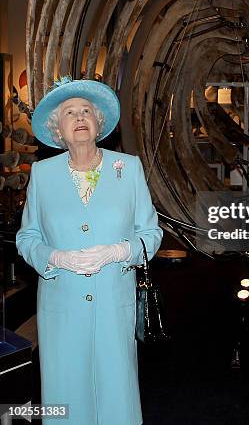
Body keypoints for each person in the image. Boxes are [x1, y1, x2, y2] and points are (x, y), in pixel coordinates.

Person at [16, 77, 162, 425]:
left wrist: (118, 251)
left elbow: (152, 233)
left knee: (116, 395)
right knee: (66, 394)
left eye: (86, 111)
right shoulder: (42, 173)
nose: (79, 117)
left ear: (98, 123)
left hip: (114, 304)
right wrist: (54, 258)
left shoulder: (128, 168)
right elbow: (27, 237)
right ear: (58, 129)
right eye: (69, 113)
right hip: (60, 308)